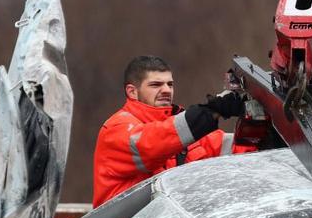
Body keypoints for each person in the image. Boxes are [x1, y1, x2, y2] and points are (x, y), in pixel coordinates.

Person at [92, 55, 244, 206]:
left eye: (170, 84)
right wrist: (211, 111)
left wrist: (256, 126)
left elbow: (236, 150)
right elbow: (153, 144)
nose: (166, 90)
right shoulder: (115, 129)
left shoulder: (184, 128)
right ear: (132, 92)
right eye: (155, 85)